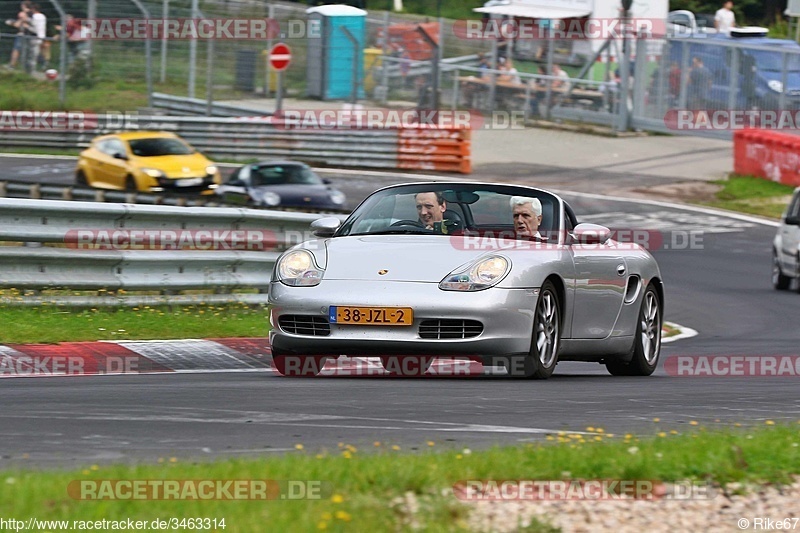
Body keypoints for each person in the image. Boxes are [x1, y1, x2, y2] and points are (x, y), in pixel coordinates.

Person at [5, 1, 32, 69]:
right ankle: (25, 66)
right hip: (31, 34)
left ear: (24, 5)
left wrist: (12, 23)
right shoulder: (33, 13)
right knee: (28, 51)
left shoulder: (23, 13)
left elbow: (18, 24)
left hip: (22, 34)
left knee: (16, 50)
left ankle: (12, 65)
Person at [26, 3, 46, 73]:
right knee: (37, 52)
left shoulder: (34, 16)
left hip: (35, 36)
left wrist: (27, 26)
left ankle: (32, 70)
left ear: (34, 9)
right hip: (42, 36)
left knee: (33, 54)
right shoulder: (43, 16)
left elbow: (34, 28)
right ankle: (43, 63)